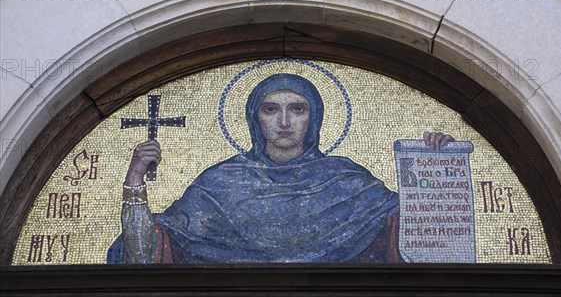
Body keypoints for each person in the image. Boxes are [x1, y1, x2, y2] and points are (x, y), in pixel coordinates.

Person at [108, 73, 453, 263]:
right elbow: (144, 253)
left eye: (298, 110)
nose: (284, 122)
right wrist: (135, 179)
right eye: (271, 109)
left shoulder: (347, 181)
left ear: (313, 118)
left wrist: (436, 168)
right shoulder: (220, 184)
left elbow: (415, 231)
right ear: (255, 119)